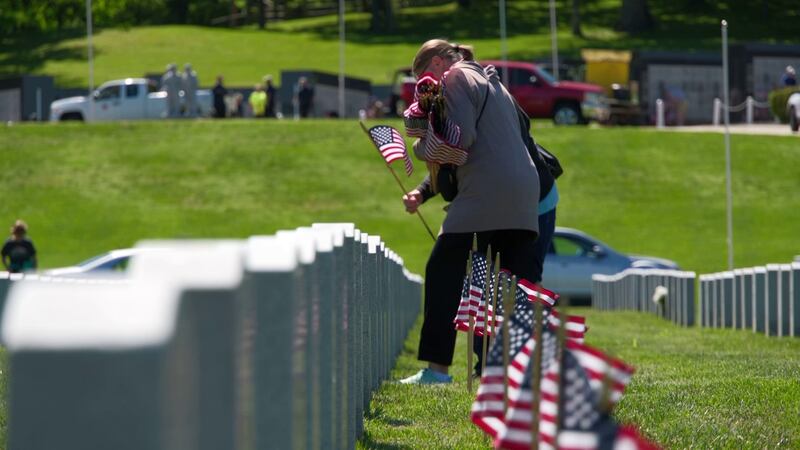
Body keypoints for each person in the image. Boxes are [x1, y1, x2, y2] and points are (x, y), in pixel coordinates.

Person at [399, 39, 540, 385]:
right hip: (523, 194)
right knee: (508, 285)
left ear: (435, 64)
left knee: (442, 270)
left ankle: (437, 369)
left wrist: (419, 147)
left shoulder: (456, 78)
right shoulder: (494, 82)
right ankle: (510, 372)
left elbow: (456, 143)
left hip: (485, 191)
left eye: (422, 78)